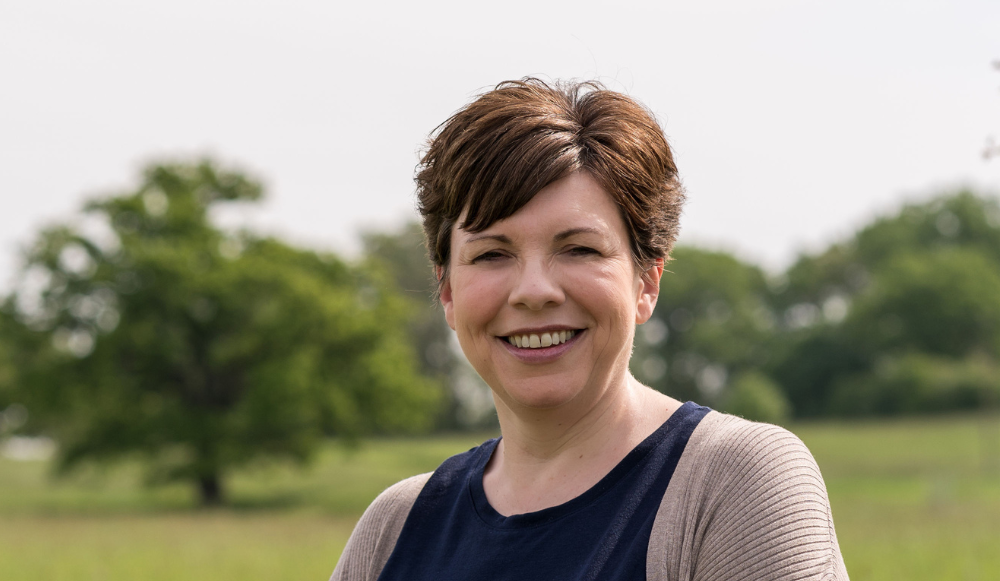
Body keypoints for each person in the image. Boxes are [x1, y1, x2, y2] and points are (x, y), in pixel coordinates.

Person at [330, 78, 849, 581]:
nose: (534, 291)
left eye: (579, 249)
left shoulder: (735, 483)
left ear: (647, 280)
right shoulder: (394, 529)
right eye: (491, 254)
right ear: (447, 290)